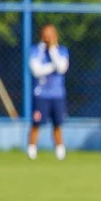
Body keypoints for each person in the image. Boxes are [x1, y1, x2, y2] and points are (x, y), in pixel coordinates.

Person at [27, 24, 69, 161]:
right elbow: (36, 71)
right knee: (36, 123)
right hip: (41, 94)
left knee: (57, 124)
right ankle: (32, 150)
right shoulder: (36, 51)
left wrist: (52, 51)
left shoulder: (61, 51)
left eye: (51, 34)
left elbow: (62, 68)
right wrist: (53, 67)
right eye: (46, 34)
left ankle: (60, 151)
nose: (48, 37)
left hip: (57, 94)